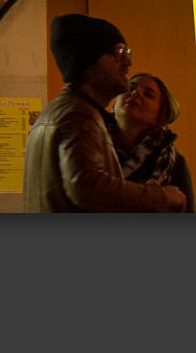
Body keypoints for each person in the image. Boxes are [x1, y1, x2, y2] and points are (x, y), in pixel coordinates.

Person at [22, 14, 185, 212]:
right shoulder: (79, 114)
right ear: (88, 62)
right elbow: (86, 187)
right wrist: (162, 195)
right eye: (118, 52)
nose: (127, 62)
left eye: (127, 53)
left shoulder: (61, 110)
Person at [112, 72, 195, 213]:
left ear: (160, 116)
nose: (136, 93)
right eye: (130, 88)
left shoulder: (174, 164)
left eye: (148, 95)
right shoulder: (90, 142)